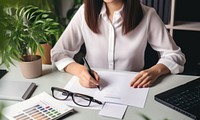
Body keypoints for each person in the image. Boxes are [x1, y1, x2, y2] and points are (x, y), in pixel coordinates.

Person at [51, 0, 186, 88]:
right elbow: (59, 53)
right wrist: (81, 71)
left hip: (133, 89)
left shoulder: (148, 15)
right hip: (93, 89)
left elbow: (175, 55)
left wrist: (155, 71)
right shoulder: (84, 12)